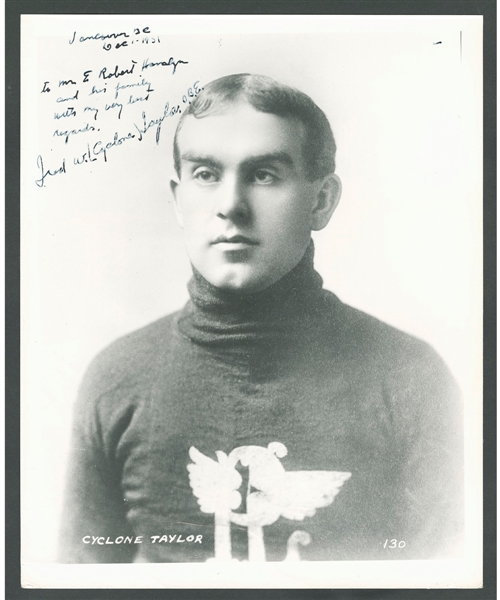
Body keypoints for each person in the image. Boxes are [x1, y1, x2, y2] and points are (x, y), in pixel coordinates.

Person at [59, 73, 463, 564]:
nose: (230, 206)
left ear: (321, 200)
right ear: (178, 198)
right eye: (206, 174)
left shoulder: (409, 379)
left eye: (264, 174)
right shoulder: (118, 378)